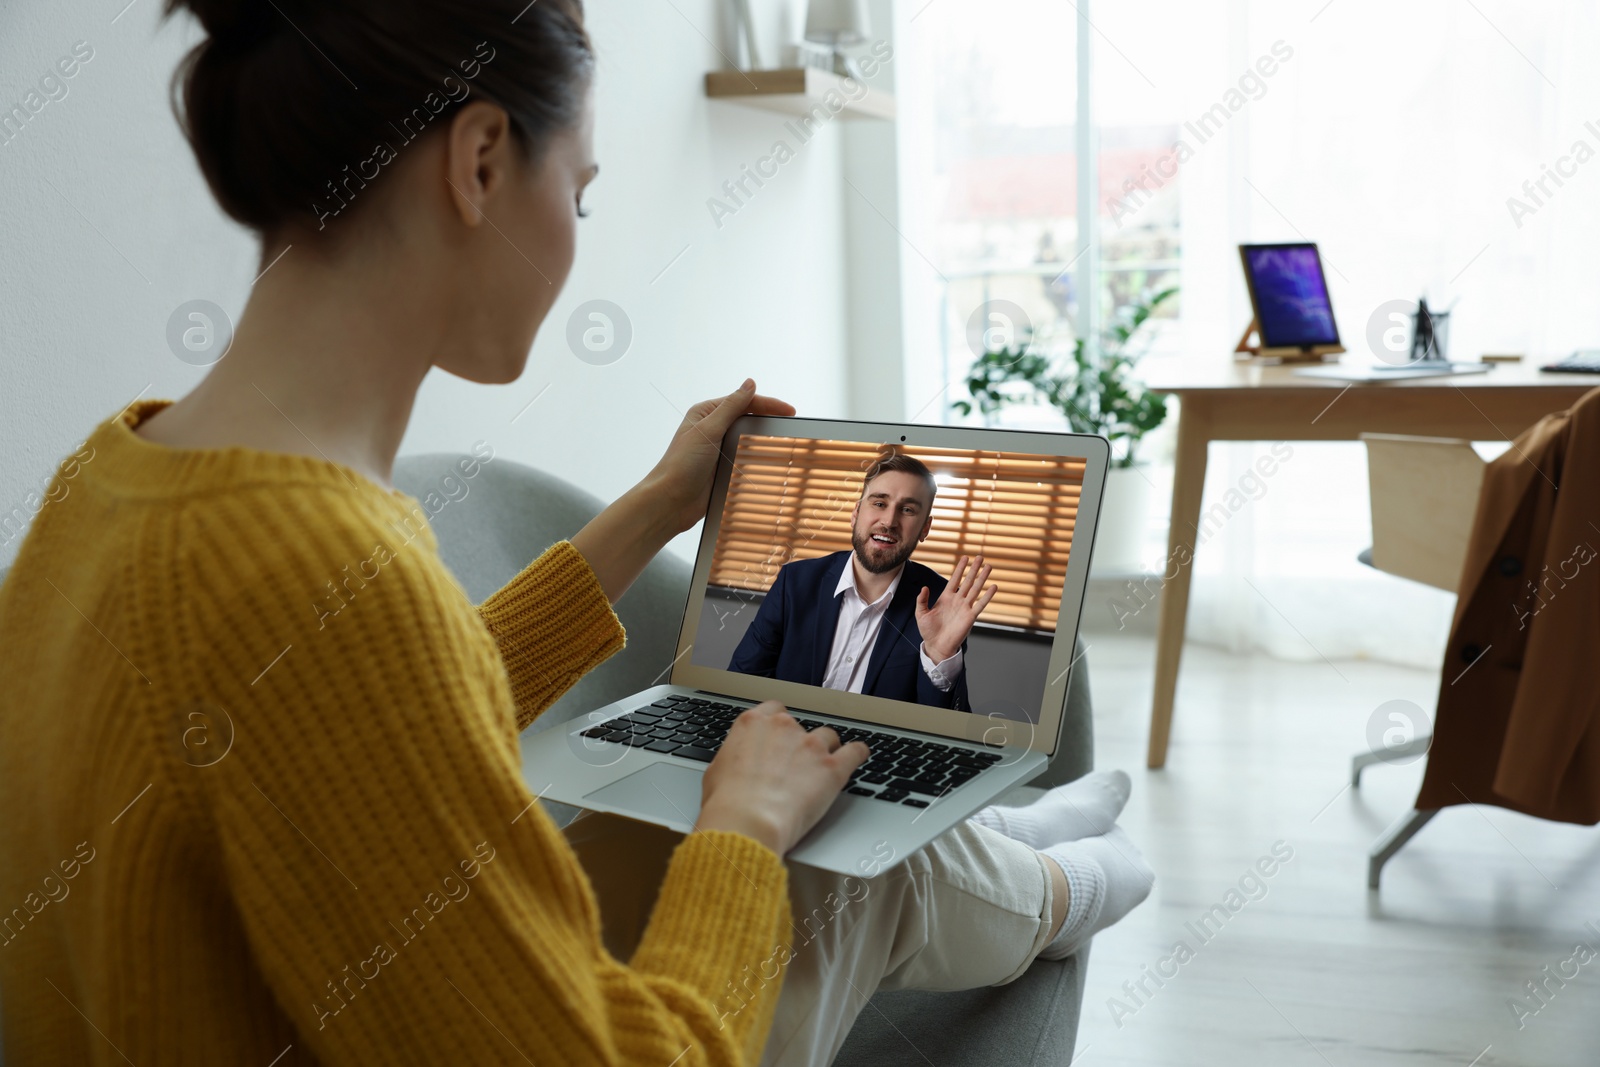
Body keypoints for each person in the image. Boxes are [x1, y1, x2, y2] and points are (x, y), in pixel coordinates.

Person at [0, 2, 1153, 1064]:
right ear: (483, 160)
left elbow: (365, 717)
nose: (576, 233)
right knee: (827, 858)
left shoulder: (107, 483)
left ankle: (1017, 852)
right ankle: (1050, 886)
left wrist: (659, 498)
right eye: (582, 190)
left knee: (810, 790)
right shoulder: (322, 573)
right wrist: (744, 827)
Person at [729, 449, 985, 710]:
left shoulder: (942, 603)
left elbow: (944, 730)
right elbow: (741, 685)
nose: (888, 521)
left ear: (925, 528)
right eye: (879, 503)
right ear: (856, 513)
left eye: (907, 510)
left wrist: (939, 657)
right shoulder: (795, 583)